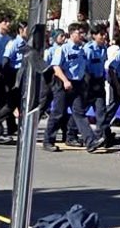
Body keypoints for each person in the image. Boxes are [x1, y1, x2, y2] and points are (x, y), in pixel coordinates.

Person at [44, 23, 103, 153]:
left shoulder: (82, 50)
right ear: (71, 34)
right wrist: (65, 81)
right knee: (58, 113)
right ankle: (48, 140)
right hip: (63, 82)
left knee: (79, 113)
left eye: (83, 33)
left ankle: (90, 141)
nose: (82, 35)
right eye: (79, 32)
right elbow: (56, 67)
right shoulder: (63, 49)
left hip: (77, 84)